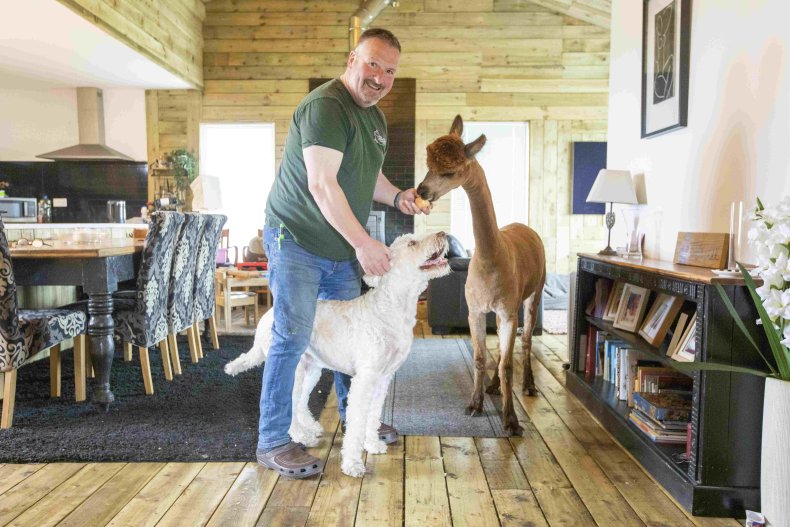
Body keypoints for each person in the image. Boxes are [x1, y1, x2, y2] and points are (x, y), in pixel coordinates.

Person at [257, 28, 428, 478]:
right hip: (294, 238)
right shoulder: (326, 107)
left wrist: (398, 198)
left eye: (390, 70)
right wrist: (363, 242)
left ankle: (359, 421)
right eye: (373, 63)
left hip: (335, 245)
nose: (380, 77)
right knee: (292, 337)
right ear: (353, 58)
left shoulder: (374, 119)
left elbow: (368, 177)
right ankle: (273, 439)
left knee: (355, 337)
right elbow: (321, 183)